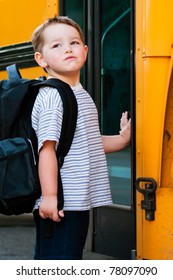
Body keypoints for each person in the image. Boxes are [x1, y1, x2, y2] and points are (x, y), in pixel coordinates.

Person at [31, 15, 131, 260]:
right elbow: (47, 150)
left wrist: (122, 139)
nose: (68, 48)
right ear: (40, 59)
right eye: (57, 45)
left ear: (85, 51)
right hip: (61, 203)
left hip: (77, 200)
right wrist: (50, 198)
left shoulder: (78, 93)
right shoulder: (54, 97)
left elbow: (86, 143)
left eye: (74, 43)